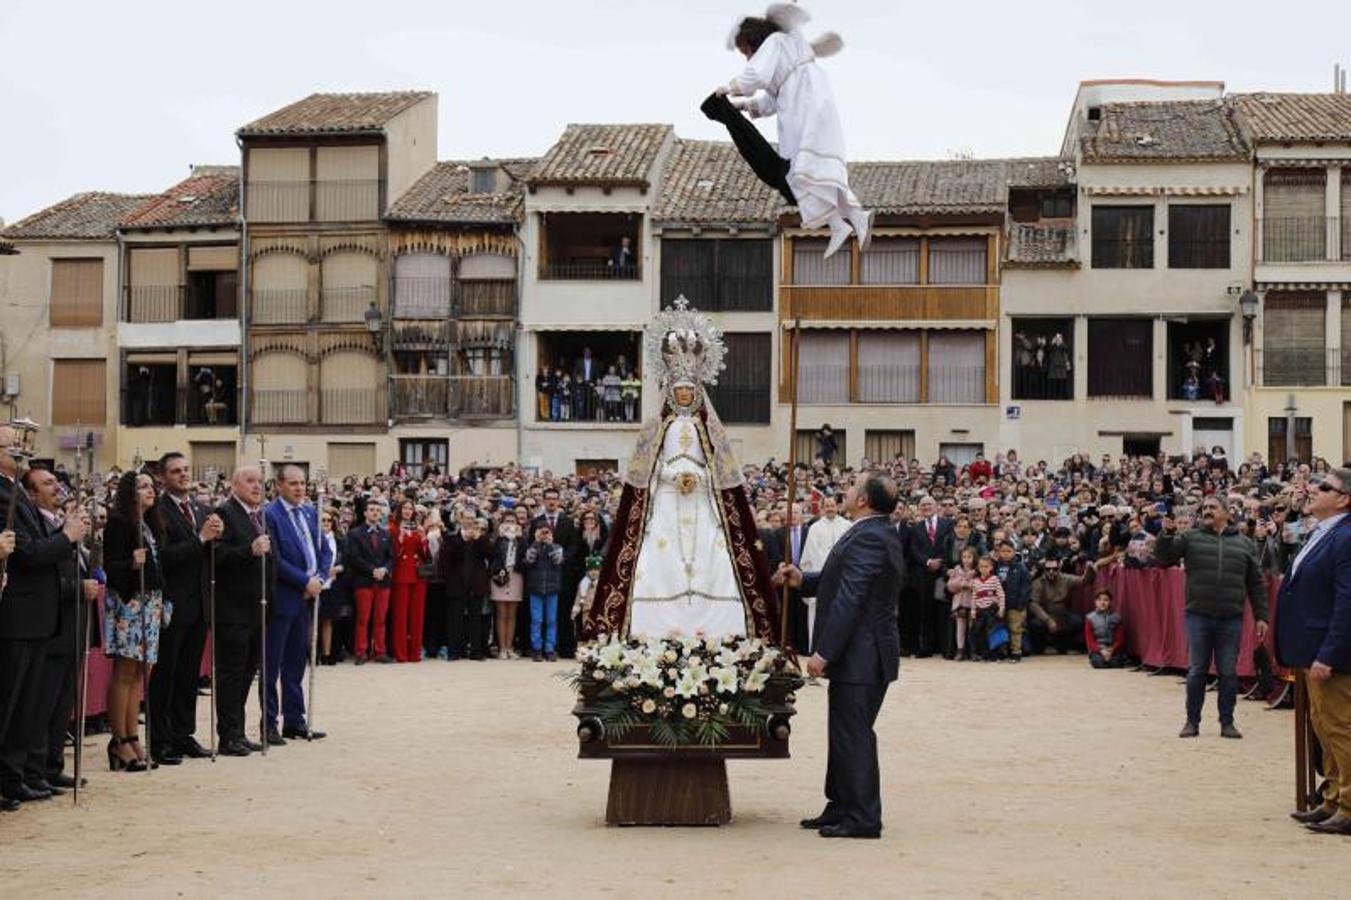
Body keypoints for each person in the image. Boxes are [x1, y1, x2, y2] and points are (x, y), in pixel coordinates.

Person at [582, 300, 780, 643]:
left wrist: (700, 477)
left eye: (690, 389)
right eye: (680, 390)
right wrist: (671, 476)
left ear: (697, 391)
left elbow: (719, 467)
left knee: (715, 560)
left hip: (702, 500)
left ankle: (721, 632)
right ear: (671, 392)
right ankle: (653, 632)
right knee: (656, 562)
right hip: (669, 499)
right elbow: (648, 467)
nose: (686, 394)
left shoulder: (711, 429)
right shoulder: (657, 427)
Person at [776, 473, 904, 838]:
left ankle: (863, 817)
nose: (845, 490)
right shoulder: (870, 531)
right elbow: (839, 579)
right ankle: (841, 804)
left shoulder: (872, 537)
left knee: (855, 733)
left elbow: (852, 598)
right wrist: (805, 580)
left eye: (853, 486)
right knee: (843, 732)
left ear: (862, 500)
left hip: (862, 654)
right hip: (858, 654)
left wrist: (823, 653)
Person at [717, 4, 870, 258]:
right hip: (803, 102)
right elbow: (771, 98)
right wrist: (744, 105)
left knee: (805, 168)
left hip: (806, 104)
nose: (746, 58)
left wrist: (730, 87)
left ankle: (849, 220)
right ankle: (843, 223)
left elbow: (755, 76)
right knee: (805, 173)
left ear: (752, 42)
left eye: (745, 51)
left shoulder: (776, 42)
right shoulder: (785, 55)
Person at [1276, 467, 1351, 834]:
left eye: (1325, 486)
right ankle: (1334, 799)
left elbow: (1347, 601)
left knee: (1340, 729)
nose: (1314, 490)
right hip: (1311, 649)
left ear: (1344, 499)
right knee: (1324, 728)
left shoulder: (1346, 536)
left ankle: (1349, 807)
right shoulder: (1322, 533)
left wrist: (1330, 652)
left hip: (1330, 654)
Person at [1156, 495, 1268, 739]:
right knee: (1197, 670)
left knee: (1228, 671)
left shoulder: (1245, 544)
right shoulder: (1189, 537)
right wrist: (1165, 535)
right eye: (1204, 507)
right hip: (1198, 615)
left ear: (1227, 513)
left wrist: (1262, 616)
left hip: (1231, 617)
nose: (1206, 511)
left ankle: (1227, 723)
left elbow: (1256, 583)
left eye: (1212, 507)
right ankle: (1191, 722)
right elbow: (1163, 560)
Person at [21, 467, 96, 795]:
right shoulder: (42, 525)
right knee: (43, 704)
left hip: (70, 626)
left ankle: (53, 764)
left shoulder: (61, 523)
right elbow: (44, 573)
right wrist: (78, 588)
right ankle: (34, 770)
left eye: (55, 481)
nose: (56, 487)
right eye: (47, 483)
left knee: (63, 703)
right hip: (51, 623)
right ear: (33, 493)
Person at [150, 451, 223, 765]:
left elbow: (208, 551)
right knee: (166, 674)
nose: (182, 475)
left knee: (189, 674)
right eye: (175, 471)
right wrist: (200, 539)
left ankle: (183, 733)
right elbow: (164, 557)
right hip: (173, 603)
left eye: (185, 469)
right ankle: (161, 740)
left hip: (199, 604)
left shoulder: (199, 507)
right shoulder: (158, 512)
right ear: (164, 477)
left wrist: (215, 537)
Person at [102, 471, 168, 771]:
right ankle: (119, 741)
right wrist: (132, 563)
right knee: (125, 672)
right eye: (142, 486)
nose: (150, 491)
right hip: (130, 602)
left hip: (150, 603)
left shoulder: (150, 523)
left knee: (142, 673)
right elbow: (111, 567)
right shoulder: (119, 523)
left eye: (152, 486)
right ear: (130, 493)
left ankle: (132, 735)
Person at [263, 464, 332, 743]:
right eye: (293, 484)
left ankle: (294, 720)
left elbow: (325, 550)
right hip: (284, 596)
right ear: (278, 486)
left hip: (307, 598)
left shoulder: (309, 511)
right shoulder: (271, 515)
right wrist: (304, 581)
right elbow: (275, 560)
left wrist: (320, 577)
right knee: (272, 663)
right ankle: (269, 723)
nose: (300, 488)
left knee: (296, 663)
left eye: (302, 483)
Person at [211, 466, 275, 756]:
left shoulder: (259, 515)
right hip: (233, 608)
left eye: (260, 482)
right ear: (235, 485)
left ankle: (238, 730)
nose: (256, 486)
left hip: (256, 607)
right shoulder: (225, 513)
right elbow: (218, 556)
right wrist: (249, 551)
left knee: (248, 671)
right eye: (250, 481)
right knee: (231, 673)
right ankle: (227, 735)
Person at [799, 494, 851, 652]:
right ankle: (818, 650)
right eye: (827, 505)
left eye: (832, 505)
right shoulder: (814, 528)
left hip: (842, 580)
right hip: (820, 580)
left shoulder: (847, 526)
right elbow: (807, 557)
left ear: (838, 507)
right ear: (822, 507)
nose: (829, 508)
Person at [440, 512, 493, 661]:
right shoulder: (452, 538)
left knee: (476, 619)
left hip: (476, 584)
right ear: (460, 519)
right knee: (455, 619)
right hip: (456, 584)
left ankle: (476, 651)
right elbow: (446, 559)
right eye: (467, 518)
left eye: (472, 518)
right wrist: (463, 539)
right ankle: (454, 651)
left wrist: (479, 539)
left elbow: (491, 555)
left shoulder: (482, 538)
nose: (470, 521)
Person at [346, 498, 393, 665]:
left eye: (377, 510)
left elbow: (391, 558)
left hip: (383, 583)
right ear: (365, 513)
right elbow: (354, 558)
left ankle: (380, 651)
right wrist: (372, 570)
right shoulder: (355, 533)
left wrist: (384, 569)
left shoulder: (386, 534)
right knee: (363, 619)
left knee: (380, 619)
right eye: (371, 509)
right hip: (364, 581)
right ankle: (361, 652)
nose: (375, 512)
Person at [906, 495, 952, 657]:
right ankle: (927, 647)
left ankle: (945, 648)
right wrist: (927, 561)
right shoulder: (915, 528)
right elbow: (914, 550)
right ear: (919, 508)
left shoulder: (948, 524)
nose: (926, 507)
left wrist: (940, 561)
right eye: (923, 505)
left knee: (943, 610)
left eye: (929, 504)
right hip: (924, 575)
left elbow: (950, 545)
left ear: (936, 506)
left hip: (941, 576)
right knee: (926, 612)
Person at [387, 499, 429, 663]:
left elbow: (426, 554)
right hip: (401, 574)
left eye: (410, 508)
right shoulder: (393, 528)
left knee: (417, 616)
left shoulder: (418, 528)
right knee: (400, 616)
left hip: (418, 575)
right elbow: (391, 554)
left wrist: (424, 538)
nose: (407, 511)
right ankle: (401, 654)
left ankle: (415, 653)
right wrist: (400, 540)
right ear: (399, 510)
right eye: (404, 508)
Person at [524, 523, 564, 661]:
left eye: (547, 532)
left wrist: (550, 545)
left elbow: (558, 561)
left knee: (551, 620)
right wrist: (536, 542)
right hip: (535, 589)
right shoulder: (532, 547)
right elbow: (529, 560)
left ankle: (549, 649)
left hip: (552, 589)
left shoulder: (557, 548)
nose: (545, 535)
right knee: (536, 620)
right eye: (542, 532)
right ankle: (536, 648)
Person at [489, 519, 526, 660]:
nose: (510, 525)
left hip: (516, 576)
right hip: (500, 576)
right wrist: (500, 536)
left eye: (512, 522)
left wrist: (520, 537)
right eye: (507, 522)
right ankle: (502, 648)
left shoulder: (520, 540)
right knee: (501, 613)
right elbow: (493, 554)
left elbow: (525, 554)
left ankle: (510, 647)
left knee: (512, 614)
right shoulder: (498, 540)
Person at [994, 540, 1031, 662]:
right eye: (1003, 551)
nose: (1006, 554)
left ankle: (1016, 651)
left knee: (1015, 628)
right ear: (998, 552)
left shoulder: (1021, 568)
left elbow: (1026, 587)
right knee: (1000, 628)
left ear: (1014, 552)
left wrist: (1021, 604)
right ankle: (1002, 651)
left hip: (1015, 604)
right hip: (999, 605)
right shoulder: (995, 567)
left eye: (1009, 551)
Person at [968, 556, 1005, 662]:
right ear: (978, 568)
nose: (984, 569)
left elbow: (1001, 595)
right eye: (981, 566)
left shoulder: (994, 579)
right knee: (980, 633)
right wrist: (973, 611)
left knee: (993, 632)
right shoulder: (975, 581)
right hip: (980, 610)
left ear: (991, 568)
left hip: (991, 610)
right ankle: (984, 654)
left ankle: (995, 655)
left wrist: (1001, 608)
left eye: (986, 566)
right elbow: (974, 597)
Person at [945, 546, 979, 661]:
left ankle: (972, 651)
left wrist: (969, 584)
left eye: (969, 557)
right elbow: (950, 586)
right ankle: (960, 650)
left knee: (972, 628)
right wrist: (961, 583)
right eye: (964, 557)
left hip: (973, 605)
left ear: (974, 558)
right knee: (960, 628)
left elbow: (978, 586)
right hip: (959, 604)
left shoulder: (977, 571)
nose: (966, 559)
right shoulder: (956, 570)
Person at [1085, 589, 1127, 669]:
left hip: (1113, 649)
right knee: (1098, 662)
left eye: (1106, 600)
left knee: (1116, 663)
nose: (1102, 603)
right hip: (1098, 650)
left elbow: (1120, 639)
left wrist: (1112, 650)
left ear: (1110, 602)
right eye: (1099, 600)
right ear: (1095, 602)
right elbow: (1090, 640)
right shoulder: (1090, 618)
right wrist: (1101, 651)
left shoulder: (1116, 617)